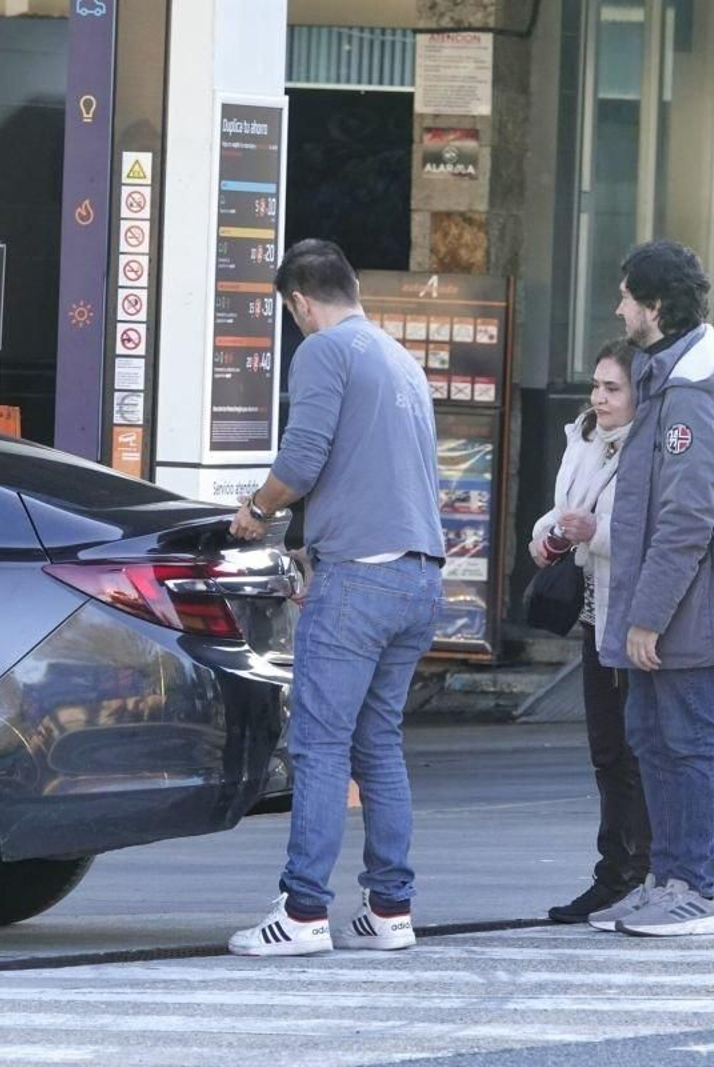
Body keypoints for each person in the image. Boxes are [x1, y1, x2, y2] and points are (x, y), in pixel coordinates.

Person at [226, 239, 445, 958]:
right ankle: (389, 909)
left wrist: (258, 510)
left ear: (299, 302)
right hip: (420, 574)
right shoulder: (398, 356)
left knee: (319, 743)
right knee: (377, 743)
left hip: (360, 578)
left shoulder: (324, 350)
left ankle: (304, 911)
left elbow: (302, 457)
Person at [595, 240, 714, 937]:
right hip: (673, 598)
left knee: (693, 738)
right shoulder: (670, 379)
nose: (618, 308)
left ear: (656, 307)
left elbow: (688, 514)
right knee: (653, 734)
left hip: (690, 601)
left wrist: (647, 616)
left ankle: (696, 889)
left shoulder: (692, 395)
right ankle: (668, 878)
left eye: (626, 296)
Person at [530, 339, 652, 925]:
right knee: (606, 748)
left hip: (633, 610)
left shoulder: (650, 445)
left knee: (640, 748)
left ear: (638, 393)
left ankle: (641, 871)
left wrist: (592, 532)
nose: (600, 399)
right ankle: (613, 874)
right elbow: (560, 509)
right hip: (590, 606)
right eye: (597, 387)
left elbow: (648, 531)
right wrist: (550, 533)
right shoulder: (582, 436)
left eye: (613, 388)